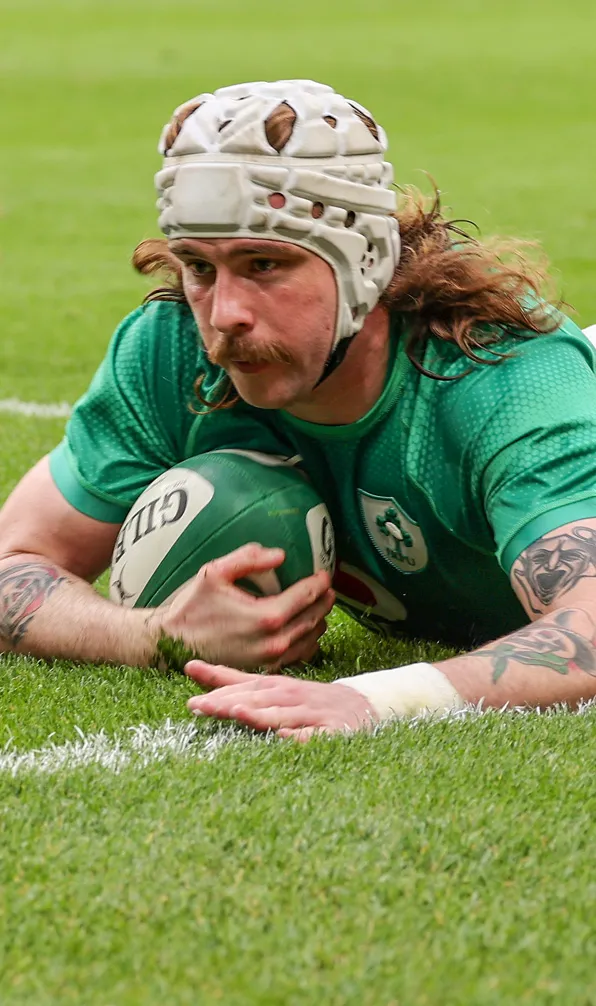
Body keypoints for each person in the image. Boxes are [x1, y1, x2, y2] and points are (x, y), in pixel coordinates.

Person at [2, 79, 596, 741]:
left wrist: (376, 698)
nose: (224, 316)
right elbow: (14, 560)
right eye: (199, 267)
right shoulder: (175, 350)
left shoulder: (505, 374)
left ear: (363, 264)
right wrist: (153, 634)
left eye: (264, 264)